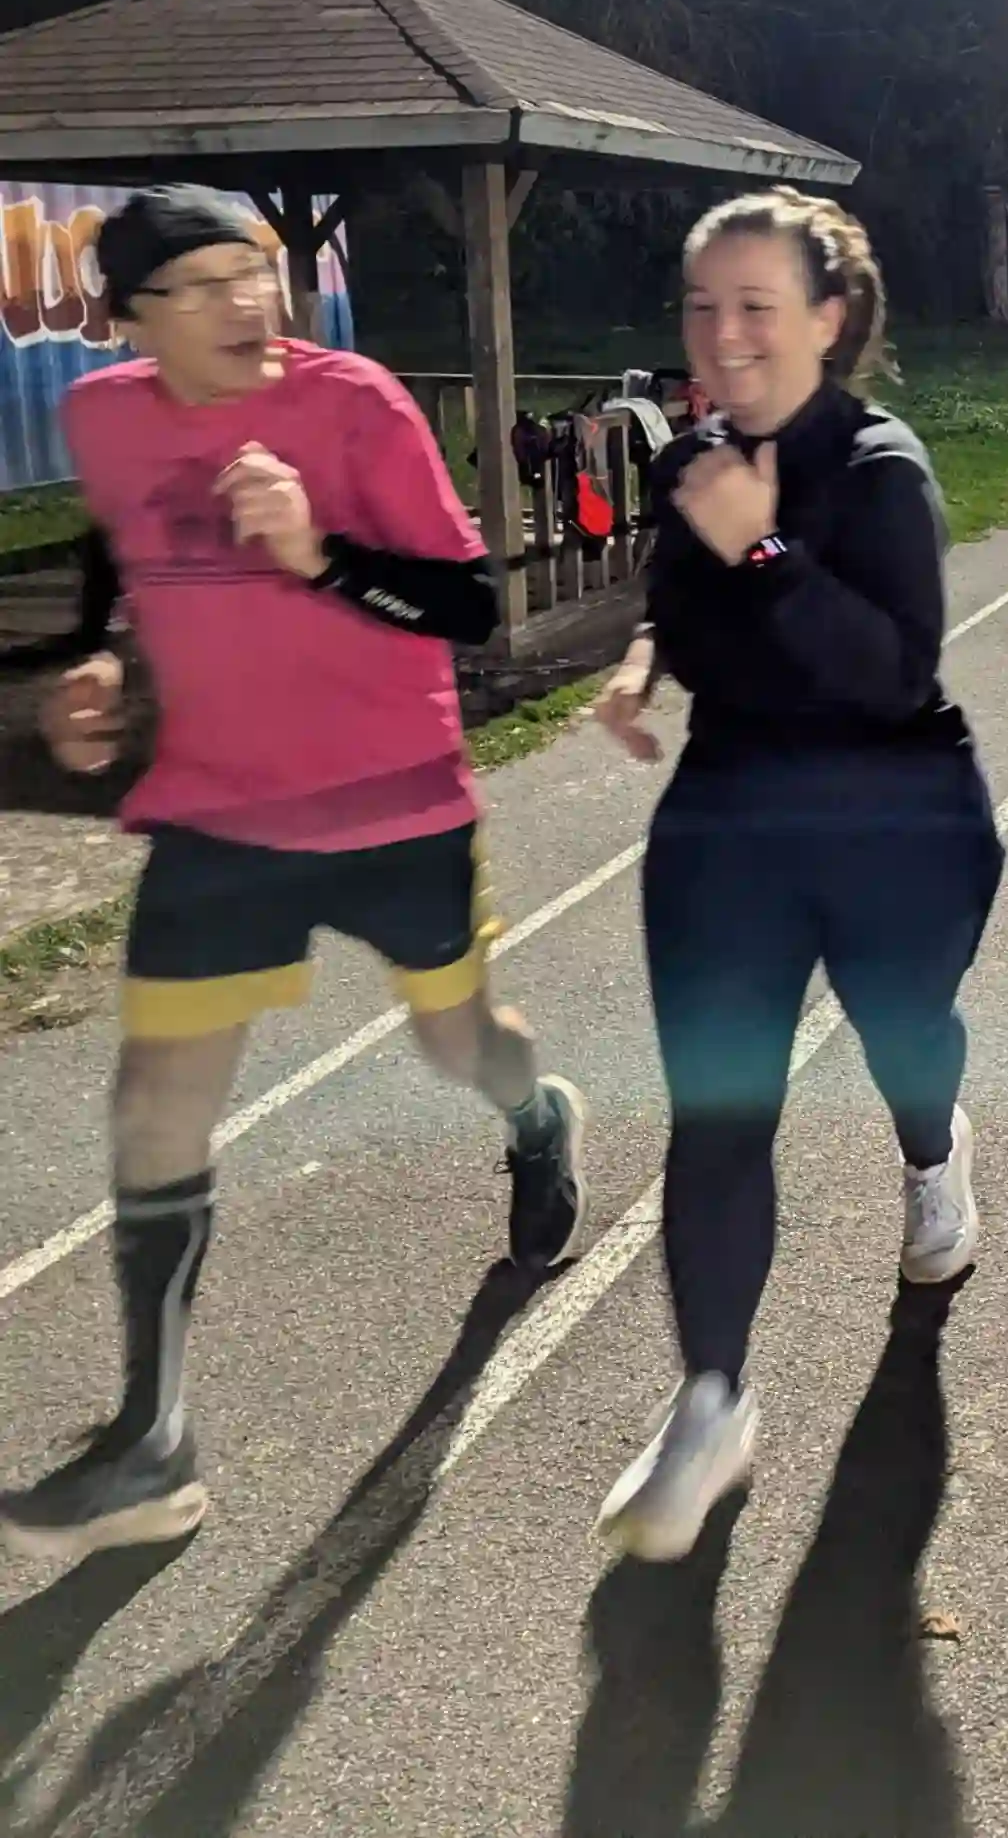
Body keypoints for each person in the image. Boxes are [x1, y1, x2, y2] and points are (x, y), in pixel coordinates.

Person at [0, 187, 585, 1565]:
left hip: (395, 801)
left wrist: (317, 555)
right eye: (203, 286)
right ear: (131, 321)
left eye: (254, 273)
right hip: (218, 816)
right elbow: (124, 562)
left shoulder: (356, 405)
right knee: (154, 1103)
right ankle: (153, 1441)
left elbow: (468, 604)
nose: (247, 304)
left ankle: (535, 1113)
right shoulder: (105, 418)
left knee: (462, 1044)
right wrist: (97, 669)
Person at [593, 186, 1002, 1562]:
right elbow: (676, 593)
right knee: (718, 1115)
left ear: (829, 318)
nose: (725, 335)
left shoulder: (882, 469)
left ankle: (935, 1153)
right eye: (701, 307)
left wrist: (762, 549)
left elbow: (892, 668)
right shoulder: (695, 460)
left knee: (905, 1038)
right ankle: (710, 1403)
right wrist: (644, 662)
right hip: (731, 818)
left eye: (756, 307)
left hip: (892, 813)